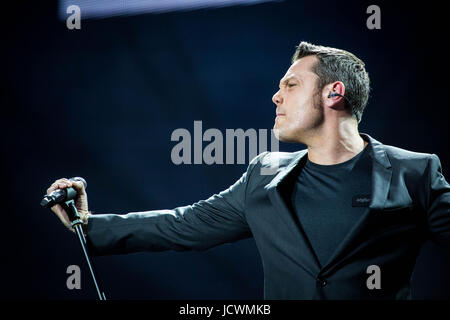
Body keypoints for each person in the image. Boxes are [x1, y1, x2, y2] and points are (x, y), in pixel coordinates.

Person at [46, 42, 450, 300]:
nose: (276, 95)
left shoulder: (414, 172)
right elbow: (182, 225)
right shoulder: (264, 176)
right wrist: (88, 225)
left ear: (334, 92)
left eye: (291, 85)